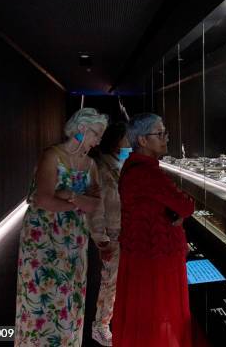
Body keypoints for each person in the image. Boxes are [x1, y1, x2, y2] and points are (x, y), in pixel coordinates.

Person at [14, 108, 108, 346]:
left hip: (73, 237)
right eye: (96, 133)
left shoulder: (89, 164)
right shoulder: (52, 156)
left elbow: (95, 203)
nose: (99, 140)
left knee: (69, 293)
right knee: (39, 293)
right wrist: (79, 202)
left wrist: (71, 198)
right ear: (82, 129)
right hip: (42, 236)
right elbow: (44, 200)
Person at [112, 113, 194, 347]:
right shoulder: (147, 172)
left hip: (141, 252)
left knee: (144, 312)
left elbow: (163, 205)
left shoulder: (134, 168)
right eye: (159, 134)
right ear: (143, 141)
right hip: (155, 256)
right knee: (159, 310)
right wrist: (179, 212)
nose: (165, 138)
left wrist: (175, 211)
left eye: (164, 132)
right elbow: (186, 205)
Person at [88, 122, 131, 346]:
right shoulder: (101, 168)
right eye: (126, 138)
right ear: (116, 141)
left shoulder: (118, 164)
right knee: (109, 283)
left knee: (120, 282)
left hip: (125, 231)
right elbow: (96, 207)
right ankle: (101, 325)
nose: (130, 142)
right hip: (112, 234)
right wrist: (102, 239)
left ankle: (112, 322)